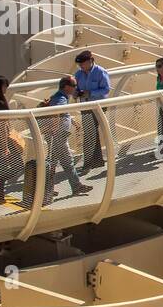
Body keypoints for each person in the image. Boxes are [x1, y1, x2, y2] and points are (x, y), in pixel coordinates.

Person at [40, 75, 92, 203]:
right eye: (74, 85)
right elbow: (56, 112)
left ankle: (49, 191)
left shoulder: (60, 97)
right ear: (66, 86)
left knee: (53, 164)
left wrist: (72, 122)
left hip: (58, 136)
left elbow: (63, 113)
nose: (75, 88)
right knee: (64, 162)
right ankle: (73, 187)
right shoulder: (60, 98)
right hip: (58, 136)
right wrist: (54, 127)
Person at [73, 50, 110, 171]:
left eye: (82, 64)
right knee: (90, 133)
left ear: (90, 61)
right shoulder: (78, 74)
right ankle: (94, 162)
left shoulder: (100, 71)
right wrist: (76, 93)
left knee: (91, 133)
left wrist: (91, 93)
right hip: (86, 107)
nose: (81, 67)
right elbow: (76, 88)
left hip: (99, 105)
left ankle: (90, 163)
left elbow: (106, 90)